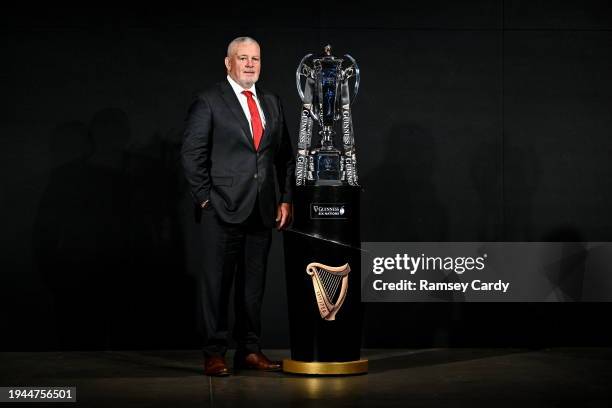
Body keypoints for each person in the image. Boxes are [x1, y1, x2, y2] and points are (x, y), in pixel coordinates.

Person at [181, 36, 294, 376]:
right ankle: (214, 352)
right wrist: (206, 199)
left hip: (262, 210)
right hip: (222, 209)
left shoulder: (271, 102)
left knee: (252, 287)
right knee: (217, 286)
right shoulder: (209, 101)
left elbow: (285, 157)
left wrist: (285, 198)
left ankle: (249, 350)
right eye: (242, 58)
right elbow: (191, 155)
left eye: (255, 59)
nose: (249, 64)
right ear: (228, 63)